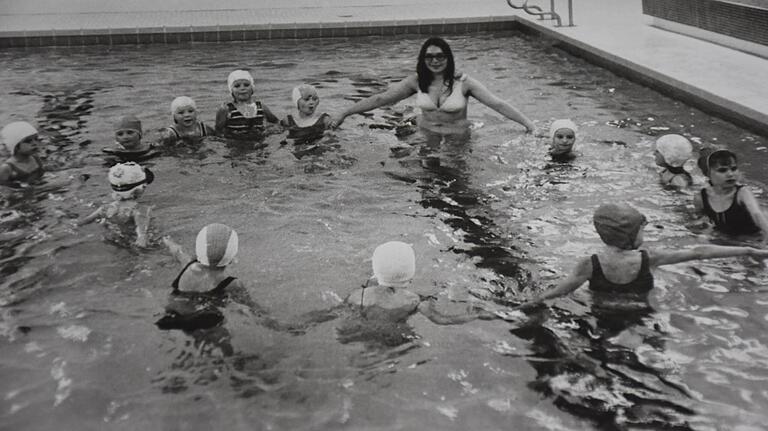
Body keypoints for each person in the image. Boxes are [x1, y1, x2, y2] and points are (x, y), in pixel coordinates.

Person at [517, 203, 768, 310]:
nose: (644, 233)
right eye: (641, 228)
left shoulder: (590, 264)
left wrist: (524, 306)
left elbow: (559, 292)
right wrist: (749, 250)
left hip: (601, 316)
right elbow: (700, 252)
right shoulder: (650, 258)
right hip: (640, 316)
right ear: (629, 234)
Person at [329, 37, 535, 135]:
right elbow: (381, 99)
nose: (434, 61)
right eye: (429, 56)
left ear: (448, 58)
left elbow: (497, 104)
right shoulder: (416, 81)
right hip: (426, 135)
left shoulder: (463, 83)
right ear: (422, 59)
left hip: (457, 139)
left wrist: (529, 125)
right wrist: (345, 112)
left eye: (439, 56)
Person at [156, 223, 281, 331]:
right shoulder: (231, 284)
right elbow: (255, 310)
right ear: (232, 257)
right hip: (204, 321)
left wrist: (167, 240)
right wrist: (284, 326)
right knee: (224, 346)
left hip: (172, 315)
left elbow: (177, 251)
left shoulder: (189, 265)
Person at [694, 148, 768, 244]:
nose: (730, 174)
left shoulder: (742, 193)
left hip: (753, 238)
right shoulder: (700, 198)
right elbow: (700, 221)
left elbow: (757, 214)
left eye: (734, 169)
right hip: (728, 239)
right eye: (722, 170)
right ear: (709, 174)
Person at [77, 162, 153, 248]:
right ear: (140, 189)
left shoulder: (105, 208)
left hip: (109, 240)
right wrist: (142, 240)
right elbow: (142, 234)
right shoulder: (140, 209)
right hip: (130, 241)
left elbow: (83, 222)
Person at [0, 121, 73, 192]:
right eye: (28, 141)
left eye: (36, 139)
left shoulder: (35, 157)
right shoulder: (7, 168)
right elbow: (4, 190)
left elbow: (42, 176)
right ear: (15, 146)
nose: (35, 143)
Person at [215, 69, 279, 141]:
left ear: (252, 88)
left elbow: (276, 122)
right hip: (236, 144)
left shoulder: (260, 106)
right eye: (237, 86)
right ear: (231, 90)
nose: (242, 88)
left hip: (259, 144)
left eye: (246, 85)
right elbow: (218, 131)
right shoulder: (226, 109)